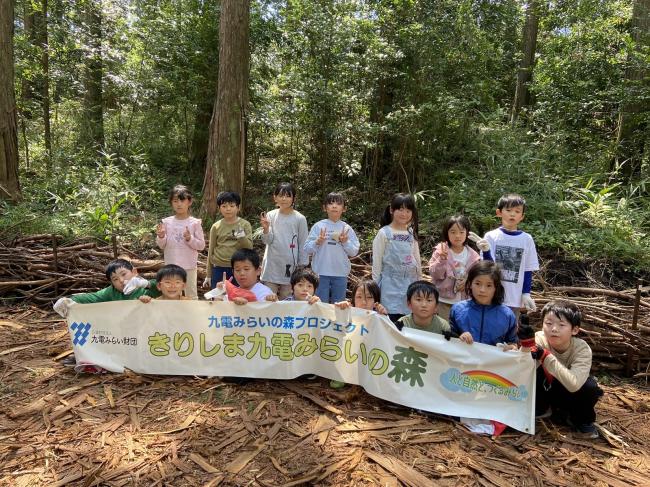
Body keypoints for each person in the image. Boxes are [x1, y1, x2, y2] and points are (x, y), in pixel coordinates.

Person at [52, 258, 160, 373]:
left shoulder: (145, 287)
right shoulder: (111, 292)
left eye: (124, 274)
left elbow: (162, 287)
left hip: (147, 337)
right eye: (115, 279)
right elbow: (92, 297)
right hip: (121, 338)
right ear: (112, 283)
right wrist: (69, 300)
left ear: (134, 272)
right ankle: (88, 356)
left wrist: (146, 284)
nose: (122, 280)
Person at [523, 300, 603, 439]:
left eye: (561, 325)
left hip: (568, 393)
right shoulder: (538, 339)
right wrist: (524, 347)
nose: (554, 329)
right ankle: (541, 409)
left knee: (590, 387)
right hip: (544, 390)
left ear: (575, 330)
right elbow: (523, 369)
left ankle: (581, 420)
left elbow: (573, 385)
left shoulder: (582, 349)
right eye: (548, 323)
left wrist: (546, 356)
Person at [479, 194, 539, 317]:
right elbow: (487, 267)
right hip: (491, 296)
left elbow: (528, 269)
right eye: (508, 210)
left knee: (510, 331)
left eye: (517, 211)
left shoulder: (527, 239)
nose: (512, 214)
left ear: (522, 216)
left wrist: (526, 293)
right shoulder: (491, 236)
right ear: (499, 212)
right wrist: (486, 251)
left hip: (514, 298)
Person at [372, 193, 421, 322]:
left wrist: (419, 282)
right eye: (400, 209)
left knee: (407, 322)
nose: (404, 213)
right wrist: (375, 291)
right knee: (389, 322)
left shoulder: (411, 234)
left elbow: (417, 260)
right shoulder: (384, 233)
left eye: (408, 210)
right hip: (388, 286)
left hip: (409, 285)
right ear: (391, 210)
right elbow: (376, 264)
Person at [304, 192, 359, 303]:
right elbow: (306, 248)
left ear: (344, 208)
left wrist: (345, 242)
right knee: (319, 305)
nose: (334, 206)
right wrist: (317, 241)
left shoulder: (347, 228)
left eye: (338, 203)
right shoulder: (318, 226)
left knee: (339, 306)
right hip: (320, 272)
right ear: (324, 208)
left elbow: (354, 251)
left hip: (340, 273)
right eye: (331, 203)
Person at [449, 260, 517, 347]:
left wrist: (512, 347)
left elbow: (513, 343)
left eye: (489, 285)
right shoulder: (457, 310)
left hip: (493, 360)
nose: (482, 290)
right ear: (470, 284)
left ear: (496, 288)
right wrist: (459, 337)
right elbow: (449, 340)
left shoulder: (507, 315)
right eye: (477, 284)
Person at [260, 183, 309, 300]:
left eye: (288, 196)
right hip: (272, 264)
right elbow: (267, 240)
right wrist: (266, 229)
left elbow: (303, 243)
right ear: (275, 197)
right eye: (281, 195)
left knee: (287, 300)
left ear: (294, 199)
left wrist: (302, 266)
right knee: (267, 299)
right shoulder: (270, 215)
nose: (284, 199)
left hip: (291, 266)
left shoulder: (300, 218)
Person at [156, 184, 205, 299]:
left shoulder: (195, 223)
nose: (179, 204)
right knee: (170, 294)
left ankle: (192, 316)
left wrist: (190, 239)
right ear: (171, 203)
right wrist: (162, 236)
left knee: (191, 295)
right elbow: (162, 245)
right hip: (171, 266)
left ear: (190, 202)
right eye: (175, 201)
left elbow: (201, 245)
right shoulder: (166, 222)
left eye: (182, 200)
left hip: (189, 266)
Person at [428, 215, 480, 320]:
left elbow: (477, 277)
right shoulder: (440, 251)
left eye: (461, 232)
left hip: (465, 301)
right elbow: (435, 274)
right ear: (447, 233)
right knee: (445, 330)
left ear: (467, 233)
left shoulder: (473, 255)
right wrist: (441, 260)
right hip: (444, 300)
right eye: (453, 232)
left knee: (460, 330)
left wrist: (468, 282)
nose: (457, 236)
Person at [204, 191, 253, 289]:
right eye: (224, 206)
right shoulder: (216, 226)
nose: (228, 209)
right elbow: (211, 250)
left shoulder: (245, 224)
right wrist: (208, 275)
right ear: (219, 208)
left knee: (237, 298)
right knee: (218, 299)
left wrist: (241, 235)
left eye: (231, 205)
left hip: (239, 268)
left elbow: (249, 248)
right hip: (218, 267)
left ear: (238, 207)